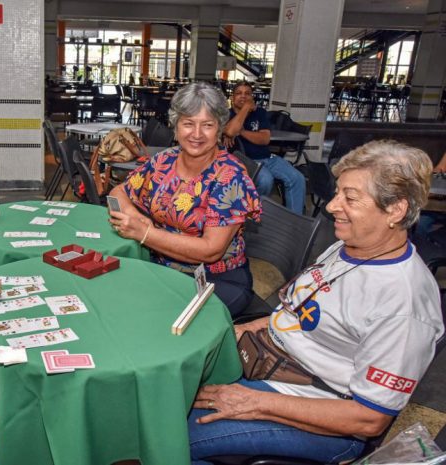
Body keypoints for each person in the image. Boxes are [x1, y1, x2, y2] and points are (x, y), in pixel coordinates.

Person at [188, 140, 444, 464]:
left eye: (350, 198)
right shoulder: (350, 244)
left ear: (396, 209)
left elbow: (369, 419)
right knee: (162, 404)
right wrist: (250, 327)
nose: (332, 206)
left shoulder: (404, 304)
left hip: (322, 415)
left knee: (171, 438)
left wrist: (252, 402)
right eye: (338, 193)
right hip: (269, 364)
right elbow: (304, 309)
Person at [108, 82, 261, 316]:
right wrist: (138, 217)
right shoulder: (164, 161)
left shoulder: (230, 175)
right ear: (176, 126)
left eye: (207, 125)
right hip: (165, 269)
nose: (197, 134)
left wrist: (146, 234)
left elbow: (210, 251)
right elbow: (118, 192)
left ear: (219, 128)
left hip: (216, 280)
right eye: (188, 123)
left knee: (150, 317)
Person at [223, 81, 306, 215]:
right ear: (232, 98)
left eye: (247, 94)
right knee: (265, 180)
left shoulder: (260, 113)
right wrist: (245, 109)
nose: (243, 96)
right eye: (239, 93)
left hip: (267, 158)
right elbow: (230, 132)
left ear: (252, 97)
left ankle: (294, 220)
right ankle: (253, 214)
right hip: (244, 161)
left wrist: (242, 132)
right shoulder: (226, 114)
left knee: (297, 178)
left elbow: (264, 139)